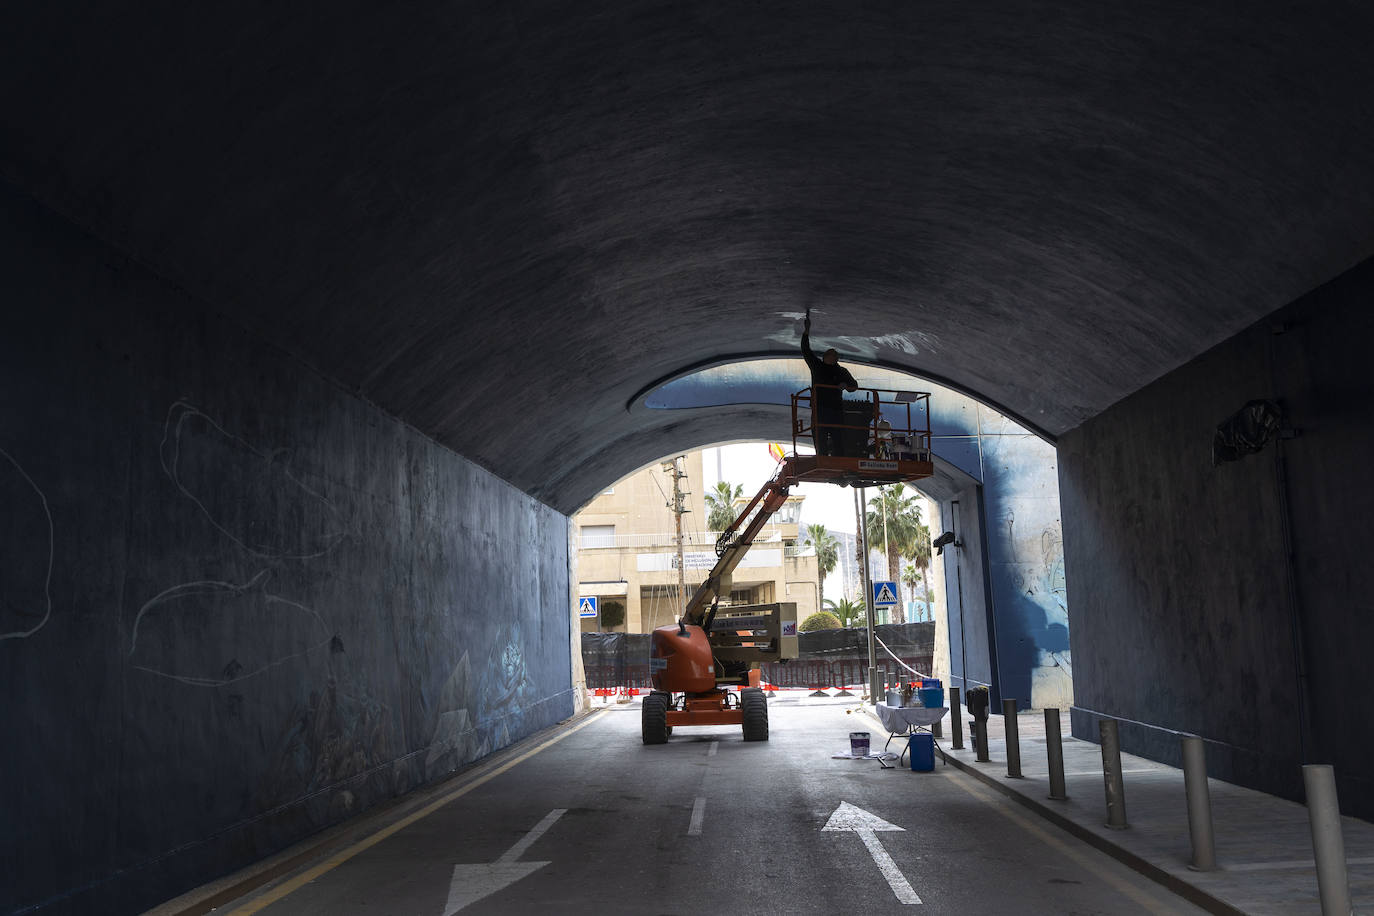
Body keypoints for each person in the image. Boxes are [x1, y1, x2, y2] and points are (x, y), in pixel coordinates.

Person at [801, 315, 858, 456]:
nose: (833, 357)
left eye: (835, 355)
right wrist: (806, 331)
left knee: (838, 436)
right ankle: (822, 457)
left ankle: (839, 458)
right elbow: (805, 350)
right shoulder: (817, 366)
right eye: (831, 355)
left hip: (835, 409)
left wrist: (846, 384)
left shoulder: (842, 371)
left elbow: (854, 386)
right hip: (820, 408)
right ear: (825, 356)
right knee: (820, 436)